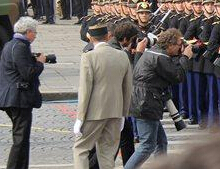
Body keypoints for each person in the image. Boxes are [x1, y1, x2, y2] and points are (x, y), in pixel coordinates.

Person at [125, 28, 192, 169]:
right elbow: (178, 76)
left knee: (161, 143)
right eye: (179, 45)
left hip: (144, 101)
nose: (180, 48)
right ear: (170, 45)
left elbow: (170, 67)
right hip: (146, 103)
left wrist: (180, 56)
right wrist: (185, 57)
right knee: (147, 145)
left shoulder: (155, 52)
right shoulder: (160, 57)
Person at [73, 24, 133, 169]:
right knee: (107, 152)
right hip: (115, 111)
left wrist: (80, 117)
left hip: (94, 112)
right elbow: (127, 87)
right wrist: (123, 113)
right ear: (107, 36)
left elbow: (85, 89)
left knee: (81, 148)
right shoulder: (122, 55)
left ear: (90, 38)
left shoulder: (89, 56)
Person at [0, 17, 45, 169]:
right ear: (28, 32)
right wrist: (39, 63)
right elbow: (28, 73)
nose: (35, 35)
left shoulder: (10, 44)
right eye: (34, 32)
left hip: (12, 96)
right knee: (20, 139)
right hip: (18, 98)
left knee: (22, 138)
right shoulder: (20, 46)